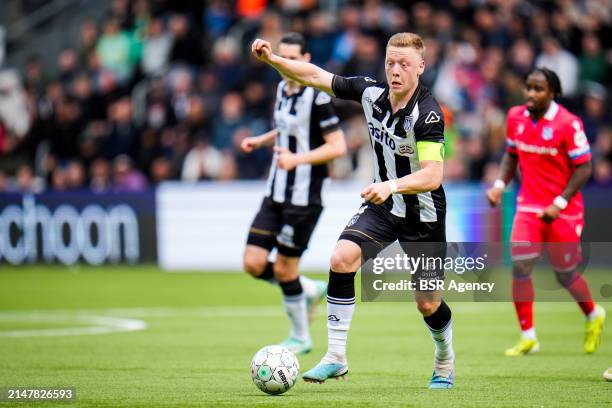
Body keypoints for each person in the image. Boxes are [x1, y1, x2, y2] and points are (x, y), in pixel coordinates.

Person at [252, 32, 454, 389]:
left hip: (423, 215)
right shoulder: (370, 92)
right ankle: (336, 357)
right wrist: (273, 60)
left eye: (404, 64)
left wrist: (390, 184)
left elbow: (433, 175)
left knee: (427, 303)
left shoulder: (429, 113)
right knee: (341, 258)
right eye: (390, 62)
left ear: (421, 67)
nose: (395, 70)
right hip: (383, 205)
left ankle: (444, 357)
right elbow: (315, 76)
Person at [486, 67, 606, 356]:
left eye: (538, 89)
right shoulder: (516, 117)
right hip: (528, 205)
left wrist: (560, 203)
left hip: (564, 209)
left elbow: (585, 167)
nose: (531, 94)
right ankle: (528, 336)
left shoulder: (568, 123)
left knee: (564, 274)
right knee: (520, 265)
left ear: (553, 93)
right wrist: (500, 184)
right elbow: (511, 155)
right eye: (528, 87)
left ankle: (593, 315)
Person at [242, 32, 347, 356]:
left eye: (291, 57)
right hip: (275, 192)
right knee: (253, 262)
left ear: (305, 60)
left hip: (304, 198)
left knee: (286, 269)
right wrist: (261, 141)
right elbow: (289, 129)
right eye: (280, 55)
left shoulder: (317, 97)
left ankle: (300, 337)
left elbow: (337, 146)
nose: (284, 62)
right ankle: (310, 288)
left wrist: (296, 159)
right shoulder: (281, 89)